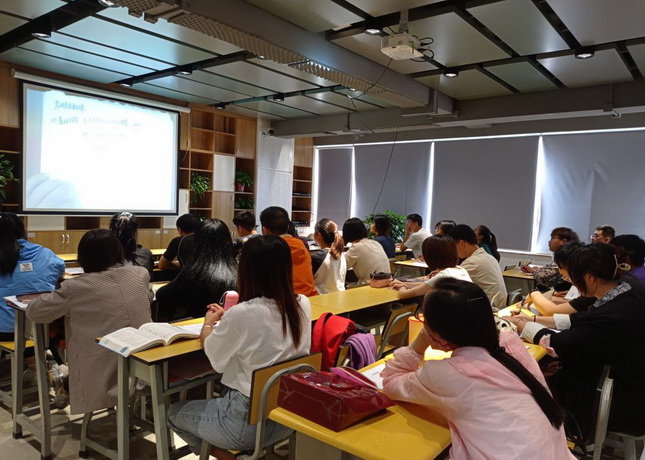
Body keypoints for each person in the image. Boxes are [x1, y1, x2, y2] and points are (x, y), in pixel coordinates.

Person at [381, 278, 572, 460]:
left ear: (439, 337)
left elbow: (390, 382)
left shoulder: (448, 374)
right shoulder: (510, 344)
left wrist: (420, 343)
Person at [168, 235, 312, 455]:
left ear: (246, 269)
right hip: (287, 417)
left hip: (245, 426)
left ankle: (225, 457)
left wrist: (208, 324)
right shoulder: (302, 304)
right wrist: (231, 318)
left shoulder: (243, 313)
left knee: (172, 413)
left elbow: (213, 355)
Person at [509, 243, 645, 439]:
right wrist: (534, 320)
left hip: (619, 403)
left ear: (589, 277)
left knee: (529, 383)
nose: (572, 282)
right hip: (628, 386)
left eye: (572, 276)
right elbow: (579, 320)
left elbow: (558, 342)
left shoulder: (613, 313)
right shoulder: (624, 292)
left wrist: (522, 325)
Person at [26, 229, 152, 414]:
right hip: (144, 369)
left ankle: (65, 381)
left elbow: (35, 312)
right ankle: (65, 381)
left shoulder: (74, 287)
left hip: (102, 375)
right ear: (118, 252)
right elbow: (149, 296)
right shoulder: (140, 274)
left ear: (83, 257)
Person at [156, 219, 237, 320]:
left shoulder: (193, 273)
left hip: (198, 325)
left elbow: (162, 295)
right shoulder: (240, 272)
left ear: (197, 242)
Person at [0, 213, 64, 340]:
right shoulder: (45, 254)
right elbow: (60, 268)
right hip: (40, 329)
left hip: (4, 330)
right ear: (23, 230)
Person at [390, 235, 471, 299]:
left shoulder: (443, 276)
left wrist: (403, 286)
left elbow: (403, 294)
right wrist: (405, 284)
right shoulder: (460, 269)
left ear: (430, 256)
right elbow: (426, 285)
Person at [260, 206, 317, 297]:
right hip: (311, 298)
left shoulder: (268, 248)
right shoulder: (301, 244)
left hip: (286, 301)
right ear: (288, 226)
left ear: (265, 230)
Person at [448, 224, 507, 308]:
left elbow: (447, 281)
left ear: (461, 243)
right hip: (500, 306)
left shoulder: (473, 262)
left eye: (453, 246)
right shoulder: (488, 257)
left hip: (490, 309)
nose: (453, 251)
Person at [523, 227, 580, 292]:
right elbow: (551, 268)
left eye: (552, 238)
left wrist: (533, 271)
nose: (549, 241)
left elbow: (545, 278)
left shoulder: (566, 256)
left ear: (564, 241)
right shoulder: (568, 253)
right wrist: (537, 269)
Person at [342, 217, 390, 284]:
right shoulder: (375, 243)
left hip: (371, 285)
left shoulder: (356, 247)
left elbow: (341, 265)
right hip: (387, 283)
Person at [311, 218, 346, 294]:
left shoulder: (318, 257)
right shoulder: (341, 254)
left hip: (321, 298)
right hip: (340, 296)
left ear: (318, 235)